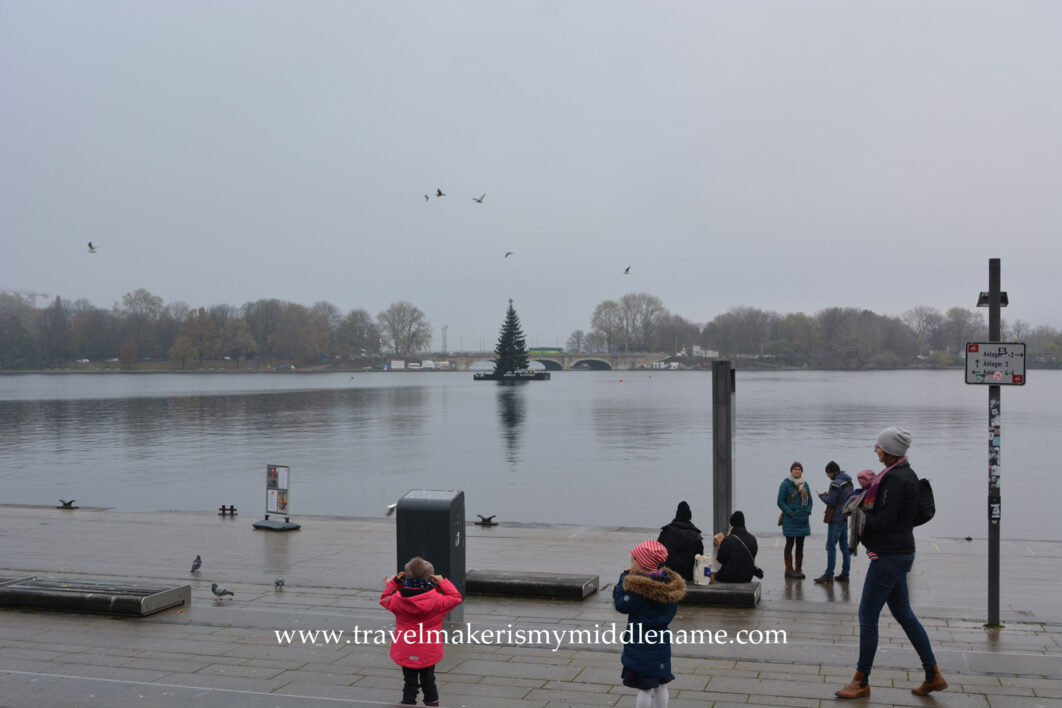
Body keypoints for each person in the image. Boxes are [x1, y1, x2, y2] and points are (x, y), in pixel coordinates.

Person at [835, 427, 947, 700]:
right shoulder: (902, 474)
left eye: (879, 446)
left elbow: (885, 521)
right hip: (899, 552)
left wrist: (859, 512)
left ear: (890, 451)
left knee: (867, 615)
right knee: (904, 614)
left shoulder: (896, 480)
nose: (876, 449)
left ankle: (861, 680)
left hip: (890, 556)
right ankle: (933, 675)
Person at [380, 556, 463, 706]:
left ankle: (408, 703)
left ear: (406, 576)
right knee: (429, 680)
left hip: (405, 648)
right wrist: (442, 583)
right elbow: (456, 597)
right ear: (430, 578)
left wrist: (395, 582)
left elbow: (385, 598)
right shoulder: (438, 601)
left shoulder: (397, 600)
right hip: (428, 649)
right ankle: (432, 703)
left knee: (409, 681)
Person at [614, 539, 686, 708]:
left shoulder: (640, 589)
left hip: (642, 646)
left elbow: (621, 604)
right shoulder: (669, 586)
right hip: (661, 644)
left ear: (642, 564)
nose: (631, 564)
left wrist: (625, 578)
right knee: (661, 684)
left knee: (644, 688)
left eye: (633, 561)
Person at [815, 461, 854, 584]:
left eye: (828, 473)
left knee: (831, 546)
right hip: (844, 518)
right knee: (844, 548)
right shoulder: (848, 482)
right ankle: (845, 573)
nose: (828, 476)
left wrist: (821, 496)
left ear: (832, 472)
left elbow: (831, 502)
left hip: (836, 520)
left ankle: (829, 574)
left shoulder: (835, 483)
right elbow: (843, 499)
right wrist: (830, 496)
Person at [777, 461, 813, 579]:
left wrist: (807, 511)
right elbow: (780, 502)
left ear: (801, 471)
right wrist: (790, 512)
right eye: (795, 469)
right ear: (791, 471)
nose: (797, 471)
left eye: (799, 469)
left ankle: (798, 569)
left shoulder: (805, 484)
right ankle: (789, 570)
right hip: (790, 520)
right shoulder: (785, 484)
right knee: (790, 544)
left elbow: (810, 500)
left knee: (800, 545)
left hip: (802, 520)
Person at [657, 501, 704, 581]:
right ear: (690, 516)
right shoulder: (696, 536)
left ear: (677, 515)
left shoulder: (666, 532)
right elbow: (700, 559)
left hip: (667, 574)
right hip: (688, 576)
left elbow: (656, 553)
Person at [712, 510, 759, 583]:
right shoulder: (753, 539)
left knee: (712, 575)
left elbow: (720, 559)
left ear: (731, 525)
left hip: (729, 576)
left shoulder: (728, 540)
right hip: (747, 576)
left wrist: (722, 545)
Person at [844, 469, 876, 558]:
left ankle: (869, 548)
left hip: (865, 523)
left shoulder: (857, 493)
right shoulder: (877, 490)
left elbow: (846, 508)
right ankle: (870, 548)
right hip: (871, 521)